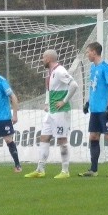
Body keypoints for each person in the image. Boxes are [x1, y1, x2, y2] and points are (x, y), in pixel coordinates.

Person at [25, 49, 78, 179]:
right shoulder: (50, 72)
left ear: (48, 58)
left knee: (62, 139)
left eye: (43, 57)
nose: (42, 60)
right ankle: (40, 169)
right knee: (44, 138)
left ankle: (65, 171)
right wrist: (47, 103)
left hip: (61, 112)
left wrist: (64, 101)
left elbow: (74, 85)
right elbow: (50, 90)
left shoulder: (60, 71)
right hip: (52, 112)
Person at [79, 41, 108, 177]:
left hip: (105, 109)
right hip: (95, 109)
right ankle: (93, 169)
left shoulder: (106, 67)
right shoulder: (92, 68)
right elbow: (93, 88)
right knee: (93, 136)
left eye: (88, 52)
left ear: (94, 52)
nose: (87, 55)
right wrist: (87, 103)